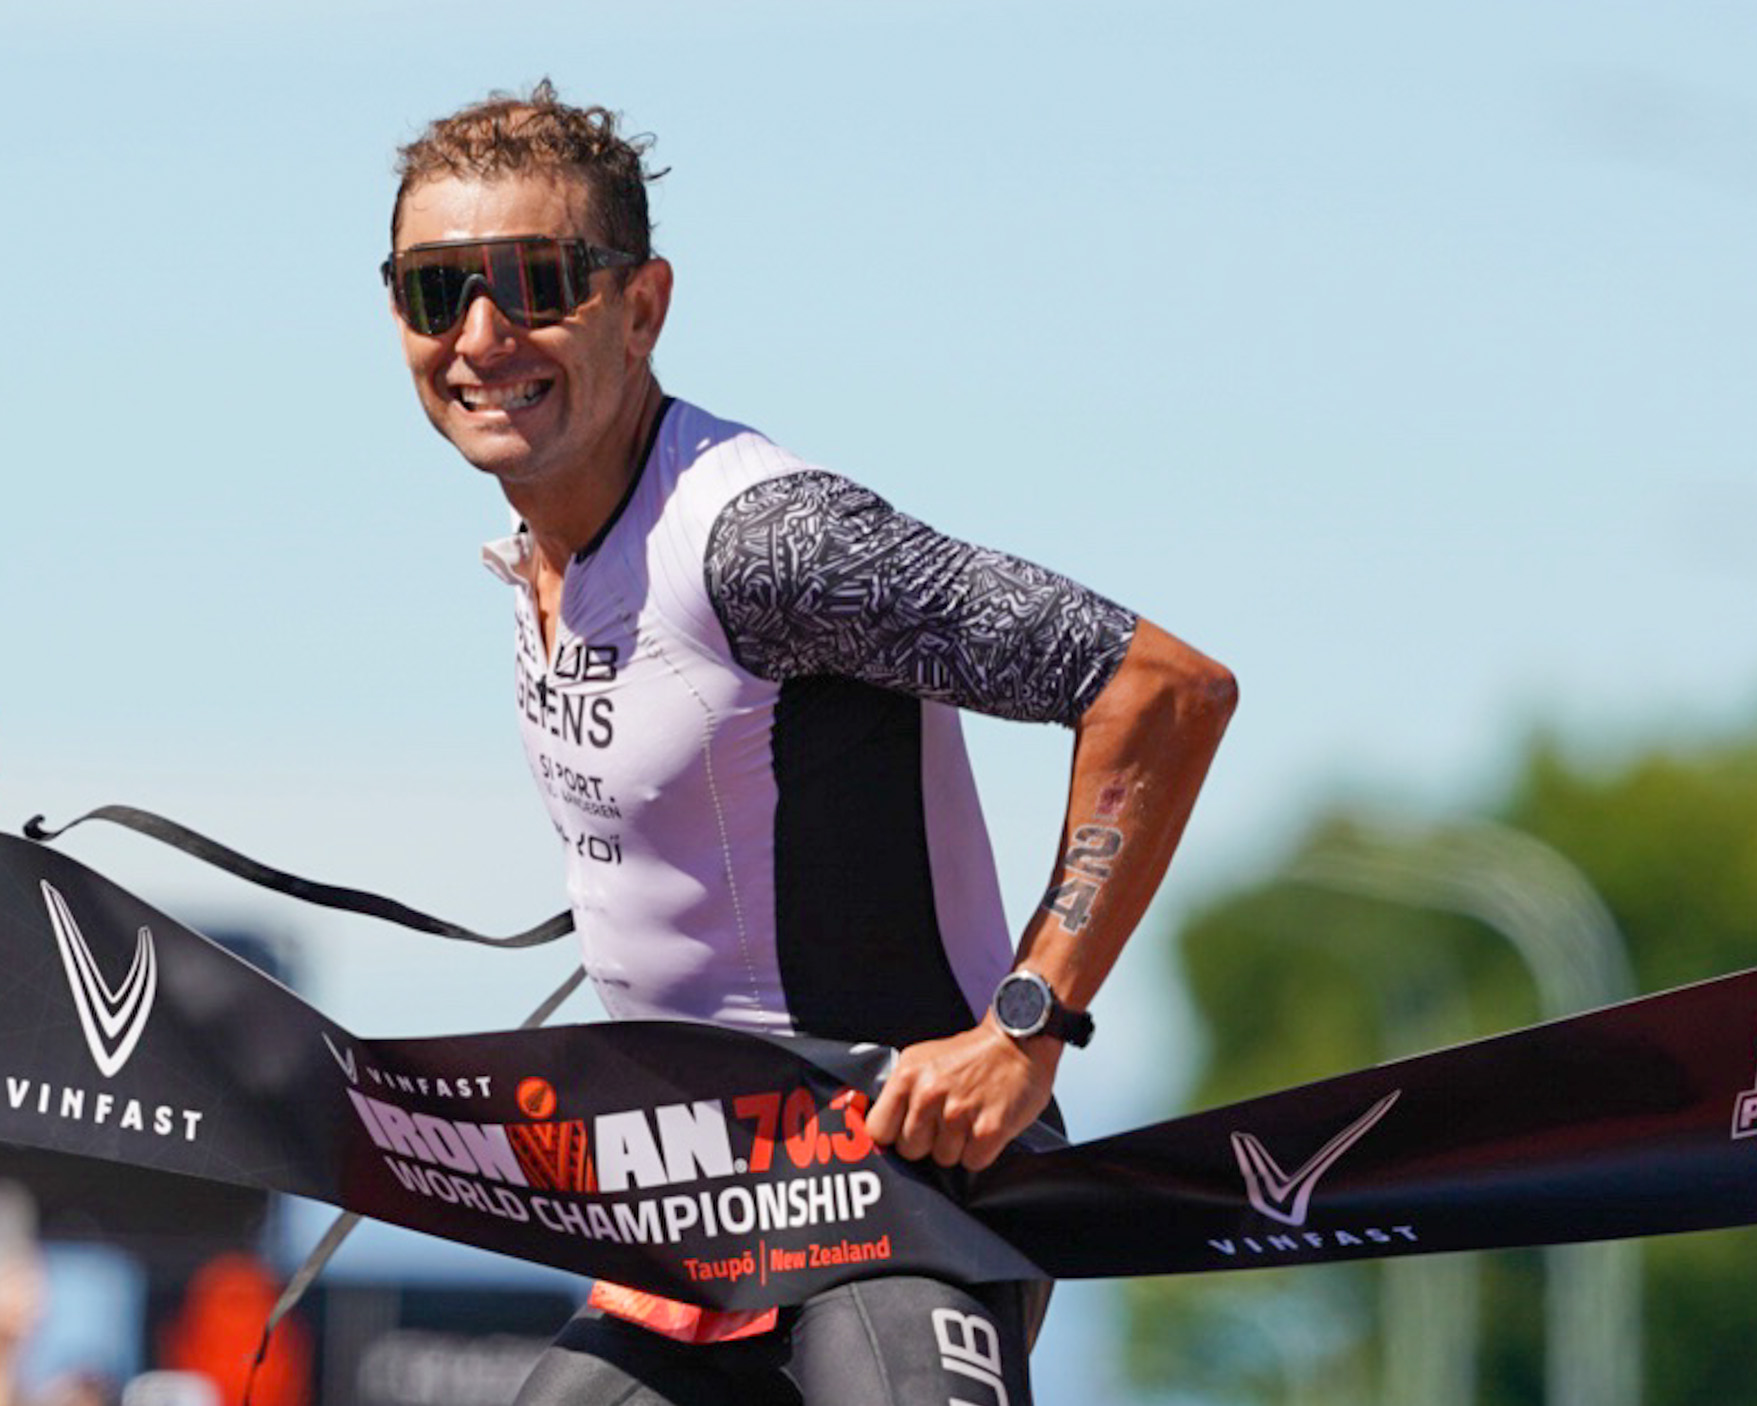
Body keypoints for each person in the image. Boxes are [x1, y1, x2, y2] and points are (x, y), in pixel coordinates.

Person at [383, 80, 1235, 1406]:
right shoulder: (539, 550)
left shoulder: (766, 544)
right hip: (699, 1209)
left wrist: (1027, 1024)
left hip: (907, 1194)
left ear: (641, 307)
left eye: (537, 283)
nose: (483, 336)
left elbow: (1163, 690)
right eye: (438, 292)